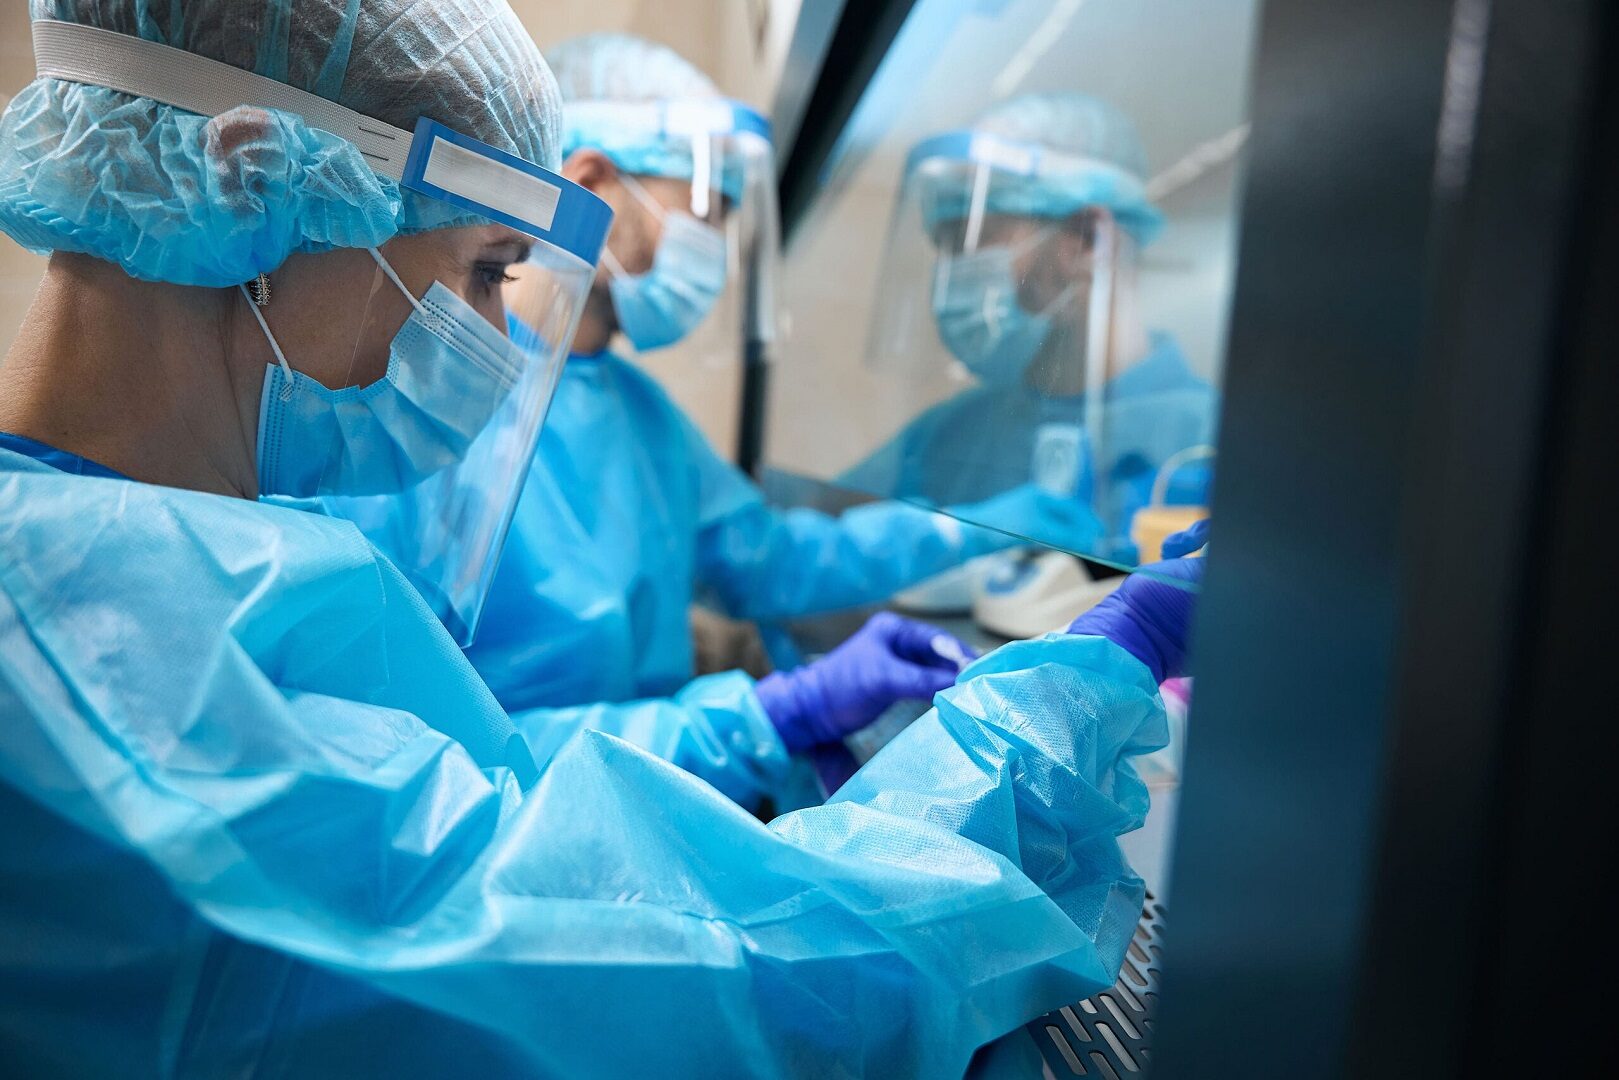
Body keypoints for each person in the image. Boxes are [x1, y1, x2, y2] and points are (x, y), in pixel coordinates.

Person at [0, 5, 1197, 1075]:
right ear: (254, 182)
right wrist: (1073, 695)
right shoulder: (92, 661)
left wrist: (769, 719)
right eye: (489, 270)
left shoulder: (169, 560)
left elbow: (475, 799)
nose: (497, 335)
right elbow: (729, 985)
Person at [465, 35, 1092, 809]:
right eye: (706, 211)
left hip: (629, 801)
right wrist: (772, 715)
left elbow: (765, 560)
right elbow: (437, 758)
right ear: (590, 182)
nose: (714, 251)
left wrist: (959, 531)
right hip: (505, 830)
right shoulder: (435, 401)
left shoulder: (638, 413)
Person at [843, 92, 1219, 565]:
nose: (949, 276)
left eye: (971, 239)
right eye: (943, 246)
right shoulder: (949, 434)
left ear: (1088, 240)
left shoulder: (1215, 444)